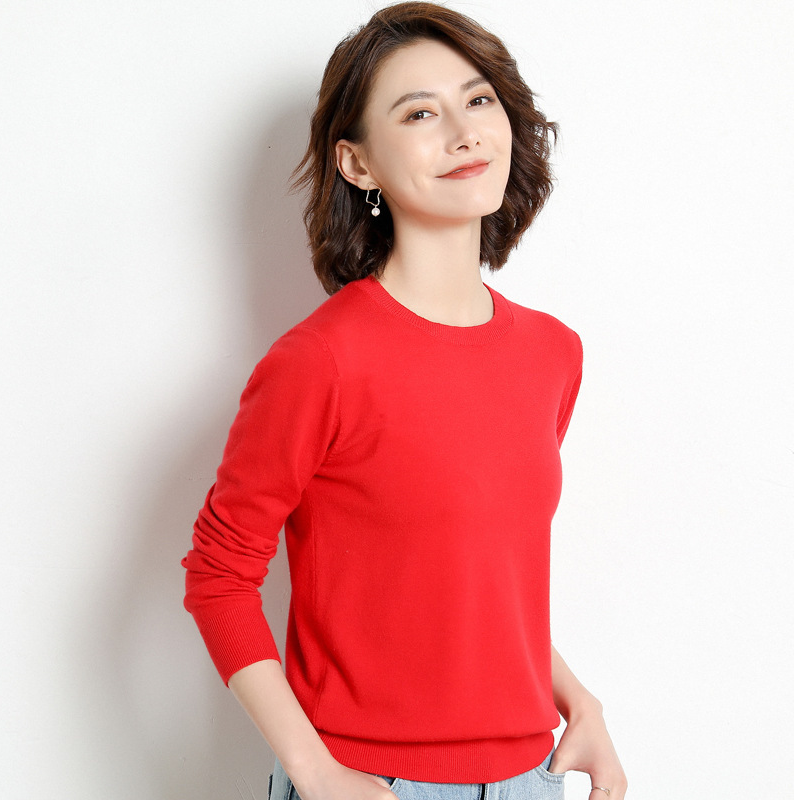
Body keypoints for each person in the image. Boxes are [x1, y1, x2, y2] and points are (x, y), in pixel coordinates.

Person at [182, 3, 627, 799]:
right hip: (370, 781)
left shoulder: (552, 354)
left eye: (478, 99)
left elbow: (474, 583)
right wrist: (315, 772)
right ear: (357, 164)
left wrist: (577, 701)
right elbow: (219, 576)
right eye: (420, 113)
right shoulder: (321, 362)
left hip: (531, 774)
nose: (464, 132)